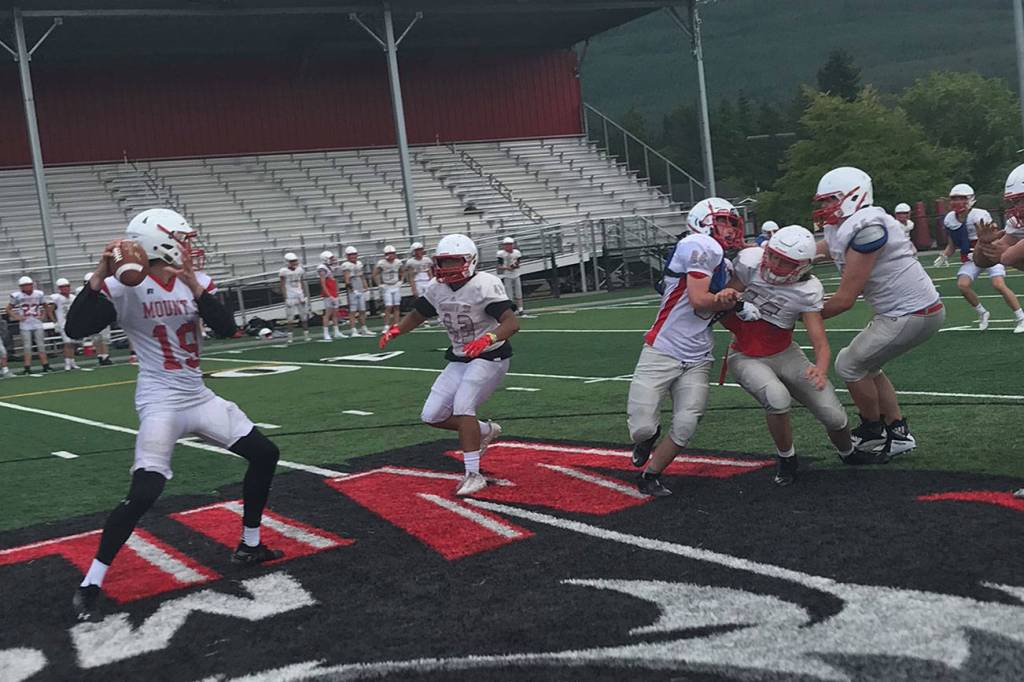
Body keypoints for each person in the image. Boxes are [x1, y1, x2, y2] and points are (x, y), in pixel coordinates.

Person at [65, 208, 283, 621]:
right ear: (157, 241)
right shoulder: (123, 285)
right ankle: (90, 583)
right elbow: (76, 329)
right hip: (160, 400)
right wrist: (96, 274)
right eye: (181, 239)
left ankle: (249, 545)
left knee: (265, 454)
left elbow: (224, 327)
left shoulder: (192, 281)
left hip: (198, 396)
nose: (189, 247)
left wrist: (192, 285)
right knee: (145, 492)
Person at [814, 166, 944, 459]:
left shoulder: (867, 228)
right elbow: (821, 247)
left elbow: (845, 298)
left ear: (853, 197)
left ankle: (874, 430)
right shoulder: (851, 225)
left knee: (849, 365)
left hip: (910, 313)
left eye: (830, 200)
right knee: (867, 365)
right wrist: (782, 253)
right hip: (915, 310)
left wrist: (799, 315)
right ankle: (897, 431)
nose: (824, 208)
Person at [380, 233, 517, 497]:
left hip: (491, 356)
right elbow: (419, 314)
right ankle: (485, 431)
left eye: (455, 262)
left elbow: (511, 323)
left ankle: (473, 474)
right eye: (445, 262)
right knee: (432, 415)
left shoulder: (485, 284)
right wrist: (397, 330)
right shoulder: (436, 287)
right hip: (460, 356)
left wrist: (488, 338)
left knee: (463, 405)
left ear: (471, 261)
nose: (449, 268)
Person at [627, 197, 747, 497]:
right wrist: (733, 300)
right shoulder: (699, 246)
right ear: (703, 222)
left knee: (686, 425)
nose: (730, 230)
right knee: (641, 428)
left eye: (732, 223)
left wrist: (738, 304)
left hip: (698, 356)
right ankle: (648, 437)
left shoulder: (723, 262)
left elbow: (716, 307)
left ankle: (651, 474)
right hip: (662, 349)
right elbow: (699, 301)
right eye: (723, 222)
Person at [721, 226, 855, 484]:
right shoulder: (750, 264)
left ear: (802, 267)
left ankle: (848, 452)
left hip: (785, 352)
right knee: (777, 397)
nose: (775, 264)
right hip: (745, 354)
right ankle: (787, 458)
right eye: (773, 256)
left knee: (835, 417)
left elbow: (820, 341)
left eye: (785, 262)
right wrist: (728, 296)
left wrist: (821, 367)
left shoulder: (807, 289)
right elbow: (722, 300)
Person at [933, 183, 1024, 333]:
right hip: (975, 255)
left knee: (998, 284)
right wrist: (944, 255)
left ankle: (1020, 316)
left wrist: (999, 248)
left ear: (970, 199)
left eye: (961, 198)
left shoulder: (979, 215)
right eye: (954, 198)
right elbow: (953, 244)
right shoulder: (950, 219)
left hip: (990, 252)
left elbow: (1000, 244)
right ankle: (982, 312)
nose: (957, 202)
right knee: (962, 285)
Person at [974, 163, 1024, 272]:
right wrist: (983, 244)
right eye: (1016, 201)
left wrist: (1007, 255)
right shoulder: (1017, 223)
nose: (1019, 207)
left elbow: (1007, 257)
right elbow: (981, 262)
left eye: (1023, 200)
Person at [6, 276, 51, 375]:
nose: (27, 287)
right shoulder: (17, 296)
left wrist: (43, 315)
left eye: (28, 285)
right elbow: (8, 309)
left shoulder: (39, 294)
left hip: (37, 322)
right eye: (24, 285)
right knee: (27, 346)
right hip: (25, 324)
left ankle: (45, 365)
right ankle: (27, 367)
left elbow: (46, 306)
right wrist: (17, 317)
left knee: (41, 345)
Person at [78, 273, 114, 366]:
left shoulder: (102, 290)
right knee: (96, 338)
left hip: (102, 316)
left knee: (104, 338)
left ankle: (105, 356)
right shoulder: (82, 292)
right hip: (92, 317)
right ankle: (100, 356)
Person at [49, 278, 80, 371]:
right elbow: (50, 310)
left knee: (72, 343)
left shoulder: (73, 297)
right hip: (63, 323)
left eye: (67, 286)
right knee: (67, 343)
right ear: (59, 288)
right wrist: (54, 321)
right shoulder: (57, 298)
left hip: (72, 323)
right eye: (63, 287)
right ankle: (67, 363)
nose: (65, 288)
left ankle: (72, 362)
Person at [340, 246, 371, 337]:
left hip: (360, 288)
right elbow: (346, 279)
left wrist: (366, 287)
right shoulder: (346, 265)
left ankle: (364, 328)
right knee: (353, 311)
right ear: (347, 256)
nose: (353, 256)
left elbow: (362, 276)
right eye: (350, 255)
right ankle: (353, 330)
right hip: (353, 290)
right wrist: (352, 290)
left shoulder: (359, 263)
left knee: (362, 310)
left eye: (354, 254)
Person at [278, 252, 309, 343]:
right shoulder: (284, 271)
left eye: (295, 261)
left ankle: (306, 335)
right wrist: (286, 297)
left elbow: (302, 282)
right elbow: (282, 285)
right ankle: (290, 337)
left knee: (304, 317)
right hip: (291, 297)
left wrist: (305, 295)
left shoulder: (300, 269)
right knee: (290, 318)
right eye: (292, 261)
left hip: (300, 295)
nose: (294, 263)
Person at [374, 245, 404, 330]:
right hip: (387, 286)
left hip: (395, 285)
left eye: (392, 253)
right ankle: (386, 326)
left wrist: (401, 281)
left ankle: (396, 324)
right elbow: (375, 274)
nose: (391, 255)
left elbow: (402, 271)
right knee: (388, 306)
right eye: (389, 253)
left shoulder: (398, 262)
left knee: (397, 306)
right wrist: (379, 284)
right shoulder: (382, 263)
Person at [317, 250, 343, 341]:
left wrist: (336, 293)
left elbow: (334, 281)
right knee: (327, 314)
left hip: (333, 291)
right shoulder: (322, 269)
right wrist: (329, 295)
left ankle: (336, 331)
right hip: (328, 293)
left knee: (335, 313)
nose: (333, 260)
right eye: (330, 258)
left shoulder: (330, 267)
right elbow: (323, 284)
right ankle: (326, 333)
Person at [496, 237, 525, 314]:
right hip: (507, 275)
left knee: (518, 291)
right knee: (509, 294)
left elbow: (518, 263)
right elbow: (499, 266)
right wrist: (507, 267)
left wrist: (515, 266)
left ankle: (520, 309)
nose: (508, 246)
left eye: (509, 244)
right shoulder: (501, 254)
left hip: (516, 274)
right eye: (506, 245)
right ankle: (511, 310)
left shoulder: (517, 253)